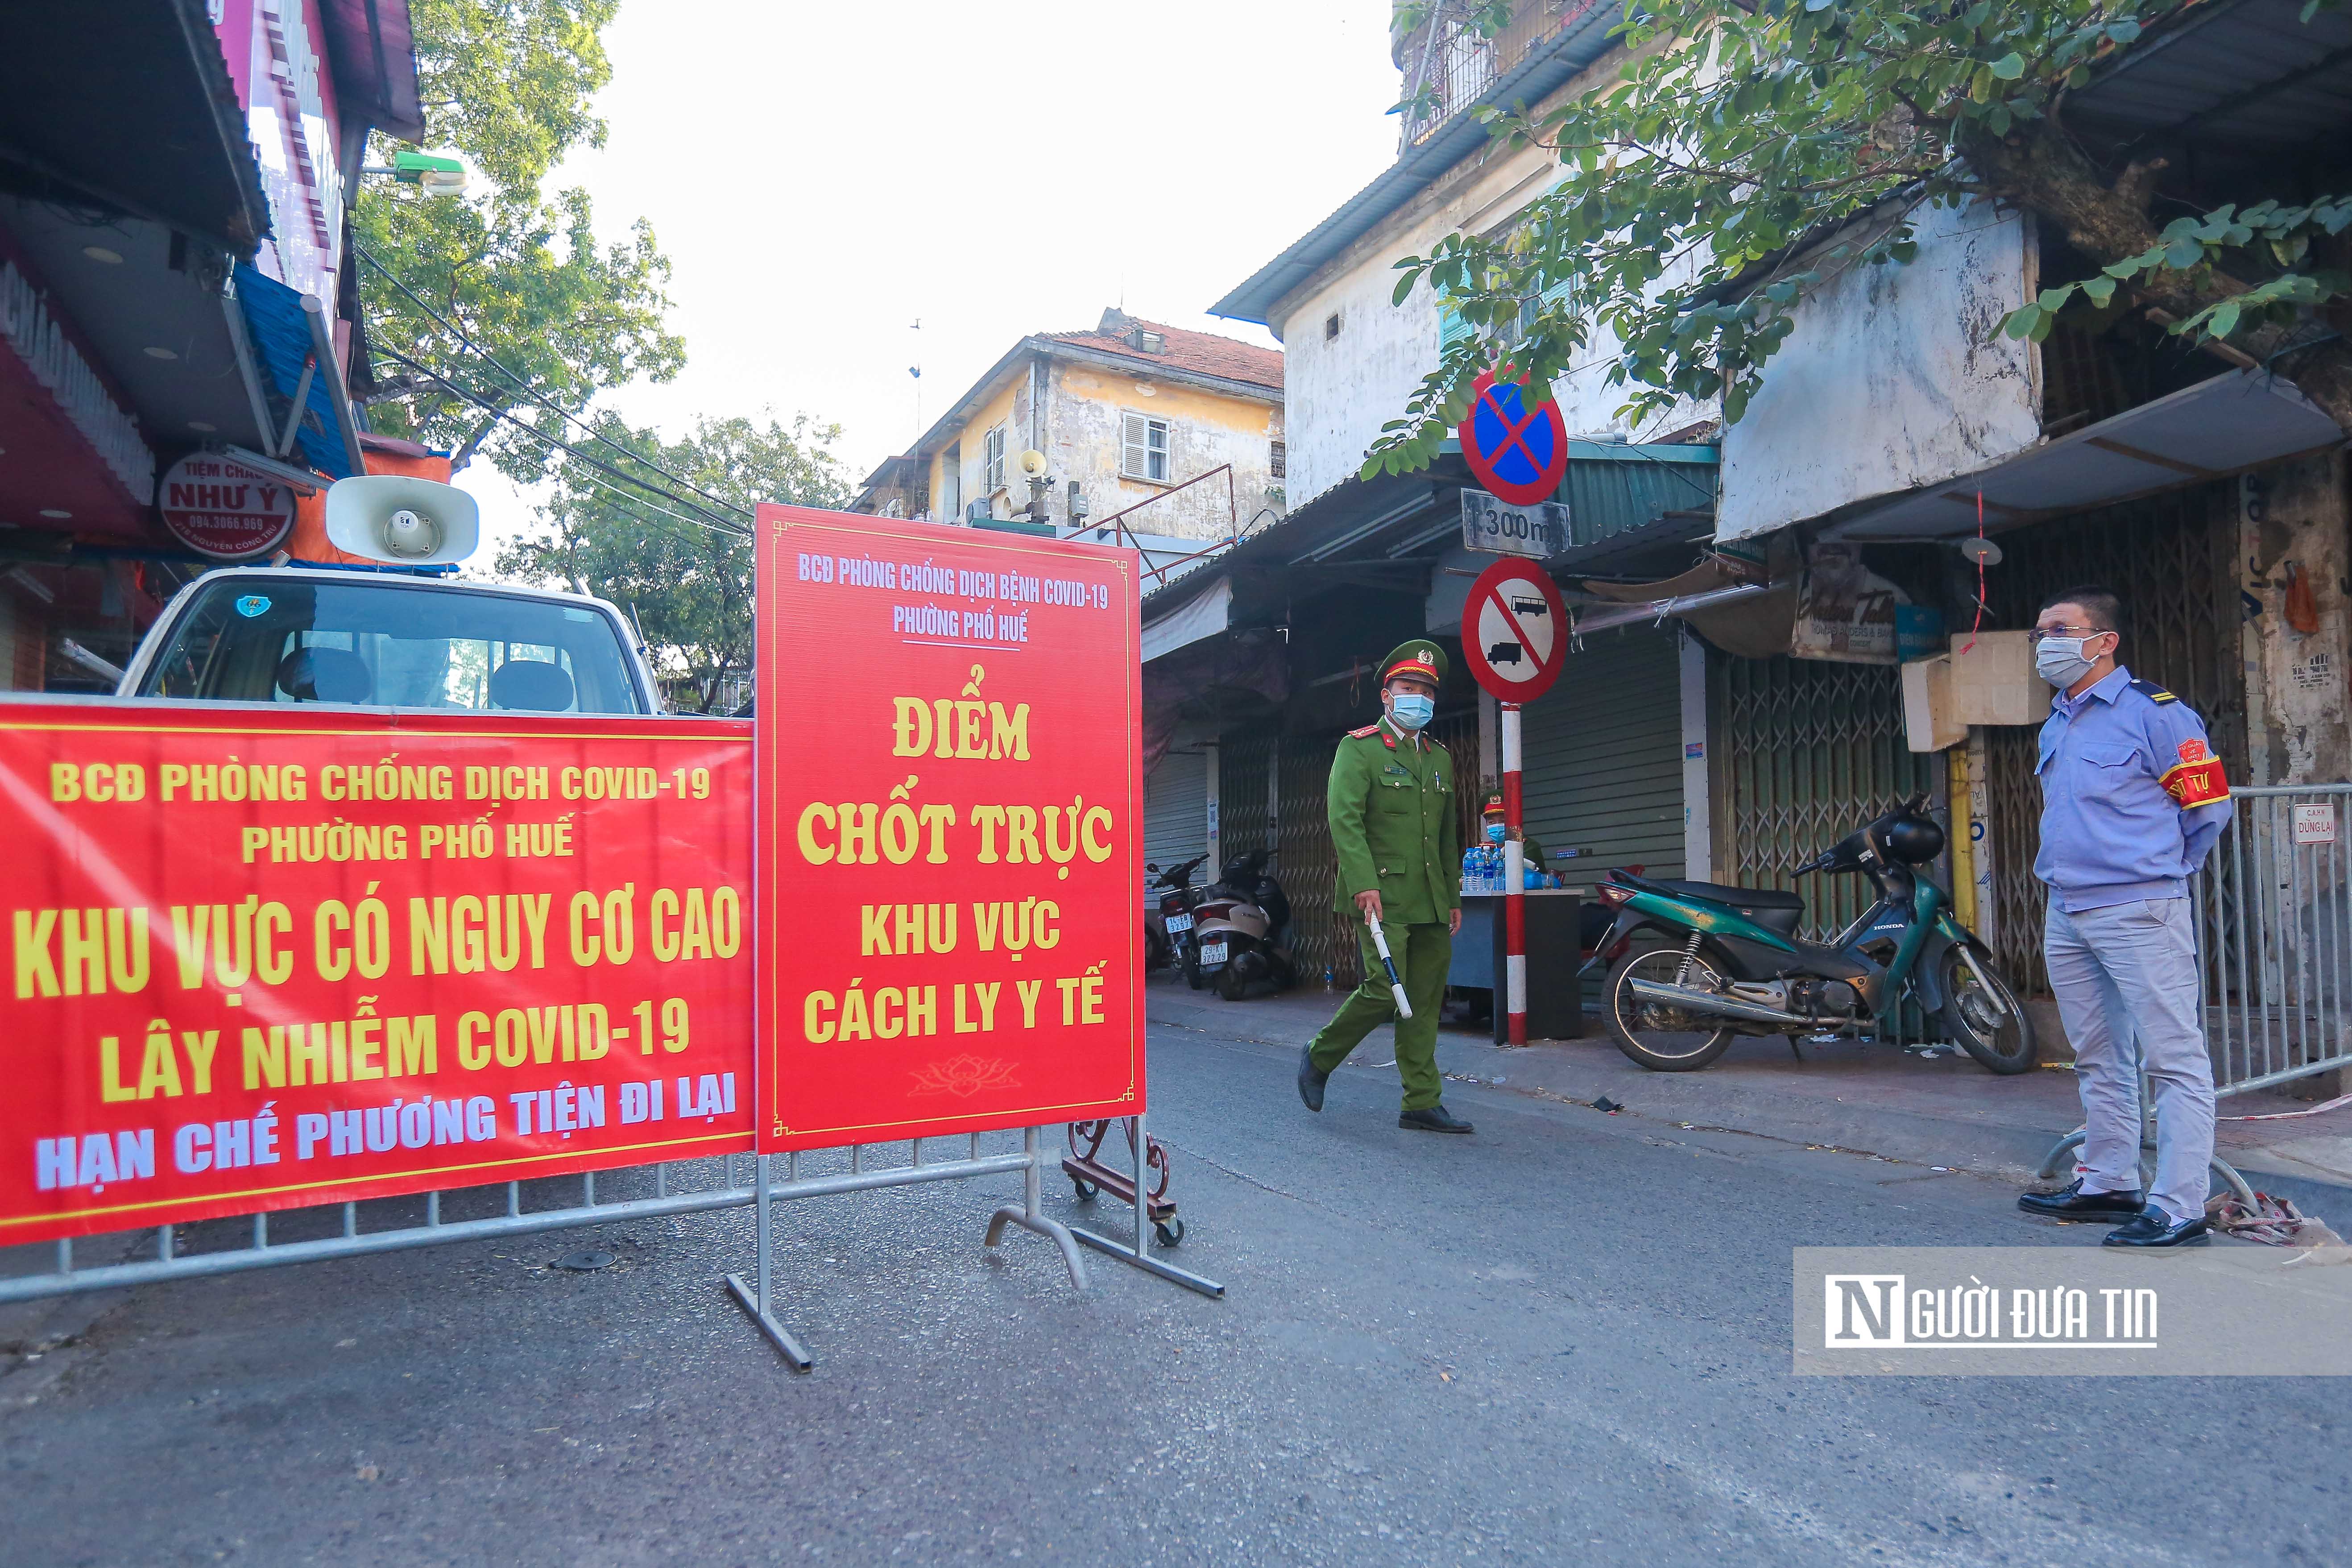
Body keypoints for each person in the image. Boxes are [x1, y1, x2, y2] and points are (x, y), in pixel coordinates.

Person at [2017, 586, 2233, 1248]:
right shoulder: (2060, 717)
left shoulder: (2157, 714)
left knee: (2174, 1059)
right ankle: (2110, 1180)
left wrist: (2159, 875)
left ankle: (2178, 1204)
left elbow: (2209, 808)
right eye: (2040, 630)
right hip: (2066, 908)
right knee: (2098, 1053)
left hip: (2138, 906)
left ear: (2104, 640)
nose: (2044, 641)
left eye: (2060, 628)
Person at [1296, 640, 1470, 1133]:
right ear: (1387, 694)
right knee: (1382, 988)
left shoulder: (1439, 757)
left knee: (1424, 996)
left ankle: (1421, 1100)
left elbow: (1445, 833)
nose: (1417, 697)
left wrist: (1453, 896)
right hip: (1380, 894)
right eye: (1407, 687)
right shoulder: (1360, 747)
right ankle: (1319, 1054)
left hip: (1431, 897)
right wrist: (1362, 883)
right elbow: (1343, 819)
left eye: (1426, 691)